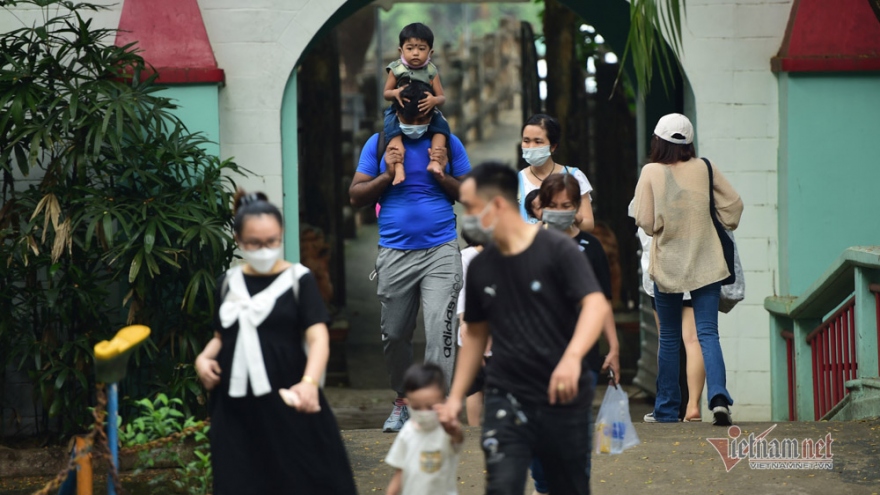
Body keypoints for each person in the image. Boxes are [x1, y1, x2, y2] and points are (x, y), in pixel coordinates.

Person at [438, 162, 610, 495]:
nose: (468, 217)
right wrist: (454, 398)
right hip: (506, 395)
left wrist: (573, 358)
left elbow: (596, 304)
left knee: (567, 486)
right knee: (502, 485)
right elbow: (474, 334)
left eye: (472, 207)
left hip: (561, 395)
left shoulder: (558, 250)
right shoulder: (480, 266)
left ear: (498, 205)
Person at [195, 190, 357, 494]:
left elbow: (318, 336)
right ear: (238, 239)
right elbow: (220, 336)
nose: (264, 249)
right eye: (255, 243)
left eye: (271, 241)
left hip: (288, 397)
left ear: (281, 236)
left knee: (301, 479)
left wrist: (310, 382)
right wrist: (203, 359)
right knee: (239, 480)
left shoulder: (299, 280)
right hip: (234, 406)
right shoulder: (228, 283)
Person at [349, 81, 471, 432]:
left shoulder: (448, 143)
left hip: (441, 251)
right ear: (395, 111)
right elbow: (356, 195)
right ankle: (404, 400)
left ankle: (433, 407)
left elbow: (469, 194)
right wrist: (388, 174)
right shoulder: (380, 143)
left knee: (439, 328)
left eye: (421, 116)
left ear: (432, 111)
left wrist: (443, 172)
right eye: (405, 115)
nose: (413, 122)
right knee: (394, 334)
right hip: (394, 252)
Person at [633, 113, 743, 426]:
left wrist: (661, 224)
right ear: (688, 142)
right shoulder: (705, 167)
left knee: (669, 337)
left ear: (657, 141)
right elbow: (733, 205)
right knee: (708, 333)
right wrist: (715, 223)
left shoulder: (651, 171)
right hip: (706, 260)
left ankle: (667, 410)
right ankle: (719, 396)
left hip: (669, 261)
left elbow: (643, 219)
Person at [529, 174, 621, 495]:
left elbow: (603, 301)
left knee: (577, 439)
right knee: (539, 438)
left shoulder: (590, 247)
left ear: (577, 207)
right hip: (537, 359)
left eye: (566, 205)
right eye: (552, 205)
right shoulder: (528, 245)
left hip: (582, 359)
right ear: (539, 206)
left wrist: (613, 345)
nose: (559, 211)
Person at [631, 201, 703, 422]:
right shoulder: (696, 178)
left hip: (661, 273)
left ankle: (667, 408)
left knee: (667, 338)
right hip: (694, 272)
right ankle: (692, 407)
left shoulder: (651, 177)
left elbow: (638, 215)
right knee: (692, 339)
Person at [383, 22, 449, 185]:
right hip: (400, 111)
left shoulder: (431, 71)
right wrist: (396, 93)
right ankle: (398, 166)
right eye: (410, 48)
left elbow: (441, 97)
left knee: (442, 128)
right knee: (392, 131)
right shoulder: (396, 69)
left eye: (421, 48)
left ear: (430, 52)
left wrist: (434, 100)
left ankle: (435, 160)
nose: (415, 53)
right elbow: (386, 93)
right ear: (401, 50)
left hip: (426, 111)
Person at [385, 363, 463, 495]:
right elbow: (400, 471)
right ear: (407, 403)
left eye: (430, 407)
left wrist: (454, 429)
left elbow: (457, 439)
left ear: (444, 401)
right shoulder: (407, 432)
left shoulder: (447, 430)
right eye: (416, 407)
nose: (423, 412)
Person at [518, 114, 594, 232]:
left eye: (538, 142)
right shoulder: (515, 181)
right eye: (526, 141)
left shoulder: (574, 176)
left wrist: (566, 219)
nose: (531, 147)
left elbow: (588, 224)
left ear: (553, 146)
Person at [457, 230, 490, 426]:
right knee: (475, 382)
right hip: (473, 325)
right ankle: (474, 427)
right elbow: (462, 292)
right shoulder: (466, 257)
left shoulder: (505, 254)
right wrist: (463, 322)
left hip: (499, 327)